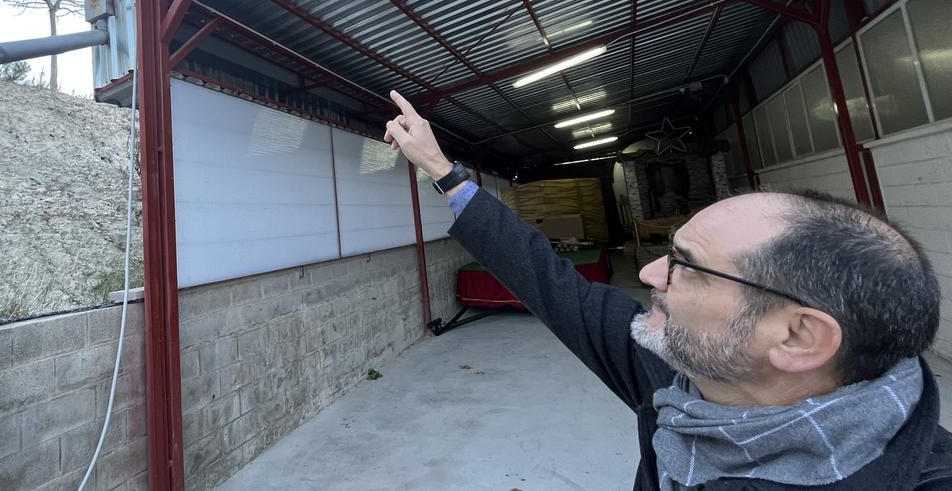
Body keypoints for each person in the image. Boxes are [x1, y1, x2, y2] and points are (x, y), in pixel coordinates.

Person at [383, 90, 952, 490]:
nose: (651, 274)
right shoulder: (686, 386)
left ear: (798, 336)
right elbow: (552, 283)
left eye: (688, 266)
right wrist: (443, 170)